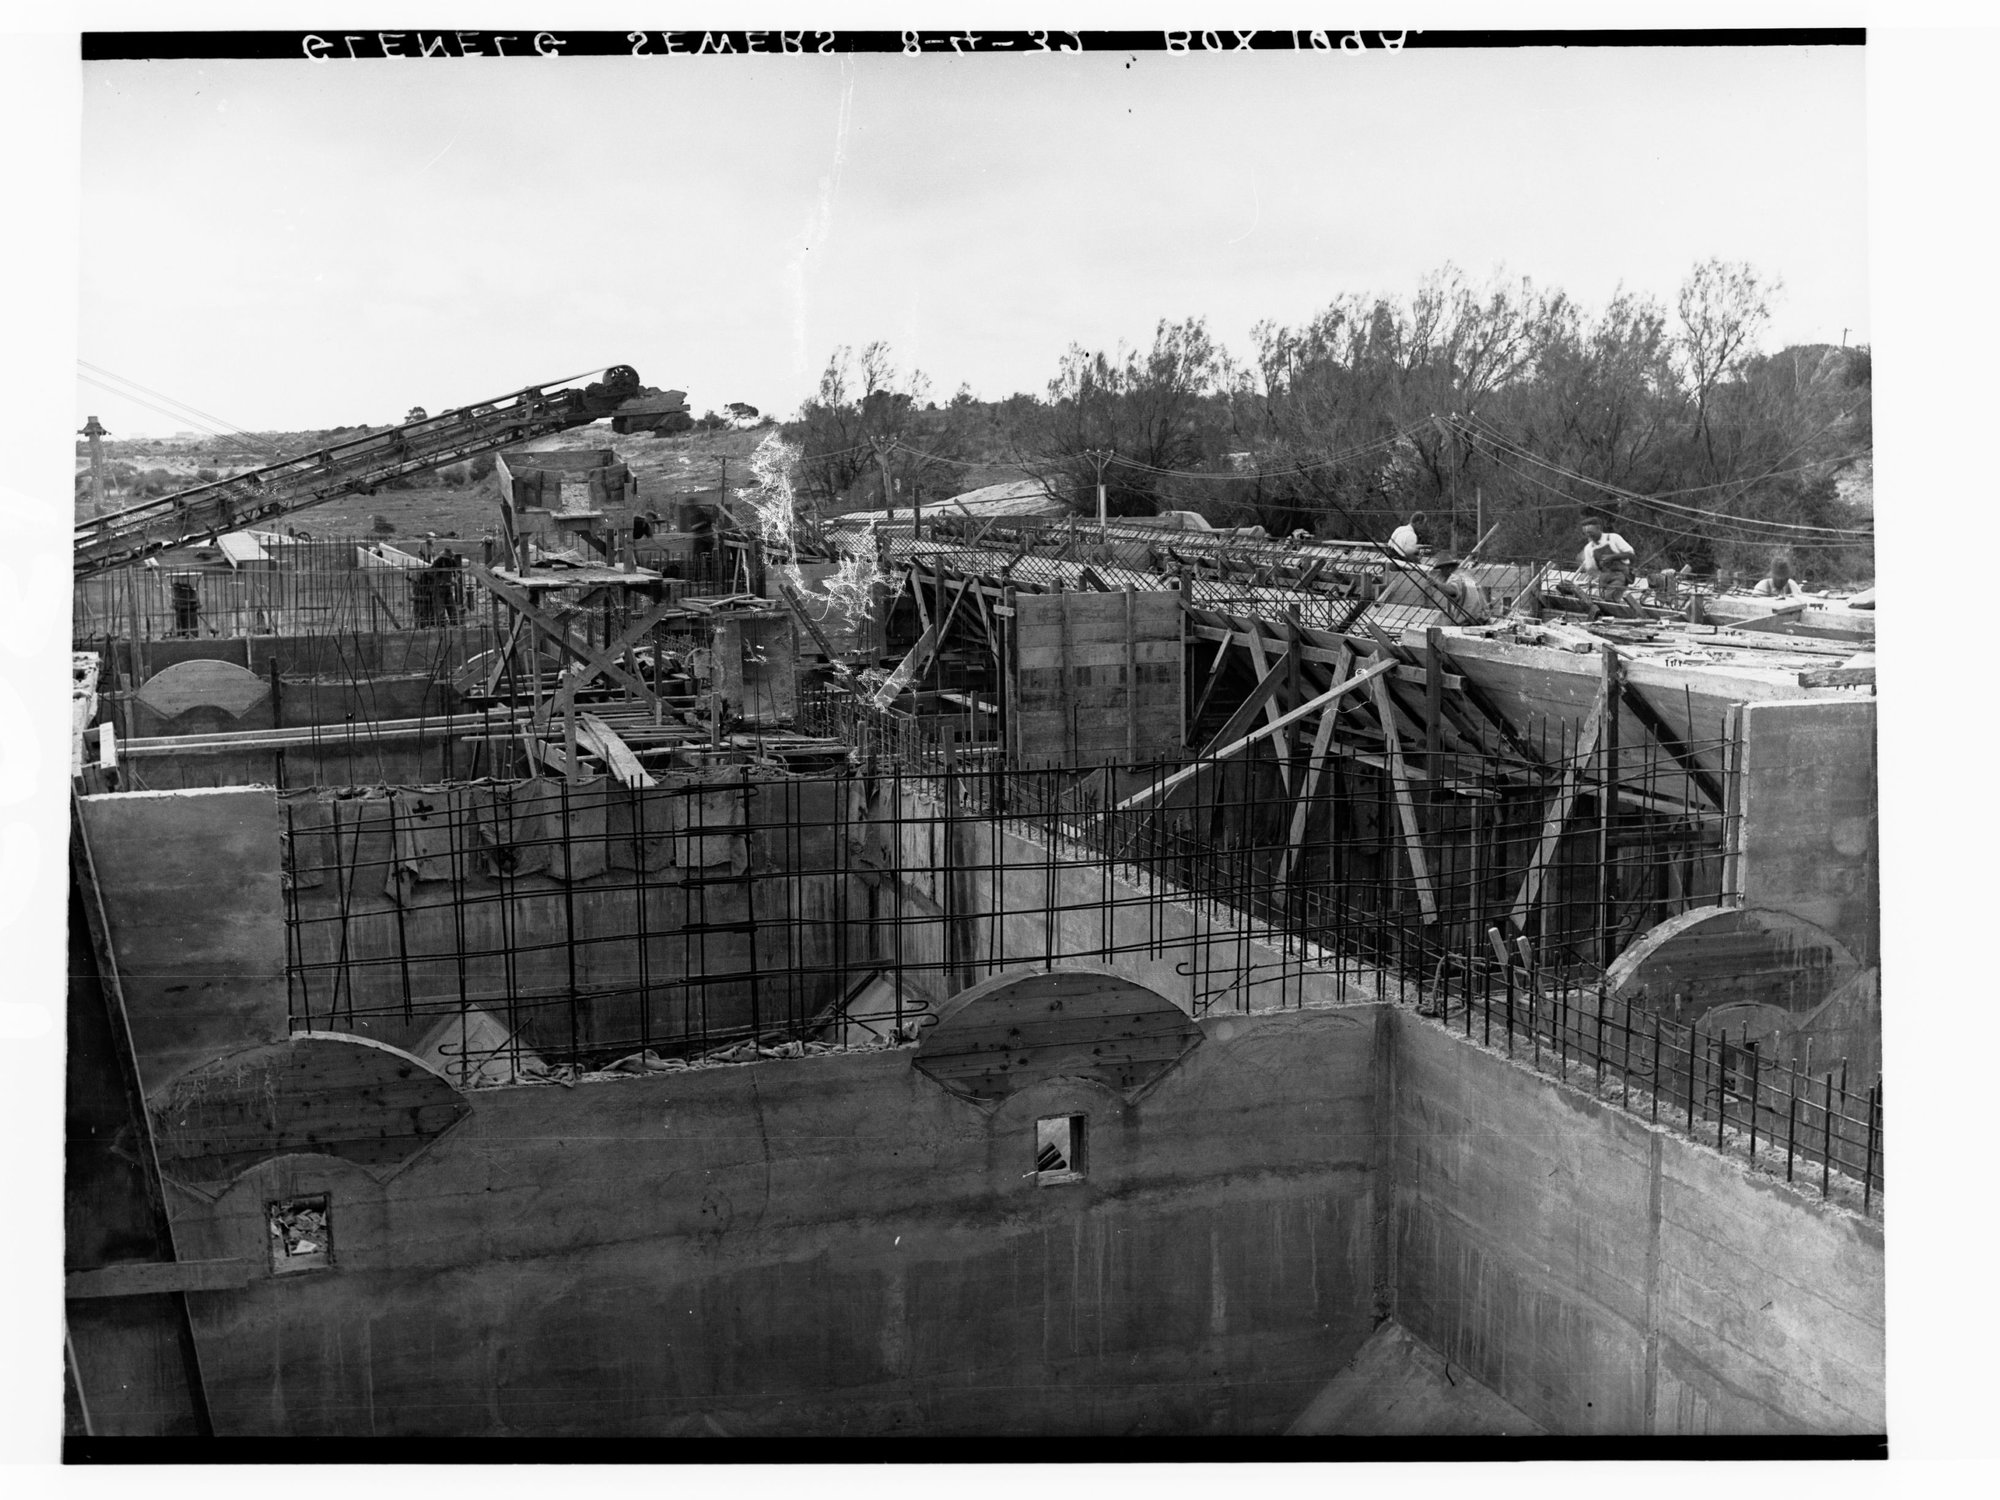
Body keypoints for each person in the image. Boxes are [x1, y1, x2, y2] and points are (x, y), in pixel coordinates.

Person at [1577, 517, 1636, 601]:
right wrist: (1597, 576)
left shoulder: (1613, 538)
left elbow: (1631, 555)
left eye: (1591, 532)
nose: (1589, 535)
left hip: (1620, 575)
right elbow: (1591, 569)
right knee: (1603, 600)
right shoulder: (1589, 548)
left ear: (1599, 528)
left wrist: (1612, 557)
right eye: (1586, 533)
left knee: (1610, 599)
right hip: (1605, 578)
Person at [1430, 554, 1489, 623]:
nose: (1441, 574)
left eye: (1441, 570)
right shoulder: (1467, 577)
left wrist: (1436, 584)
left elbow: (1453, 590)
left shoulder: (1454, 578)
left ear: (1447, 569)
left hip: (1467, 621)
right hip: (1482, 619)